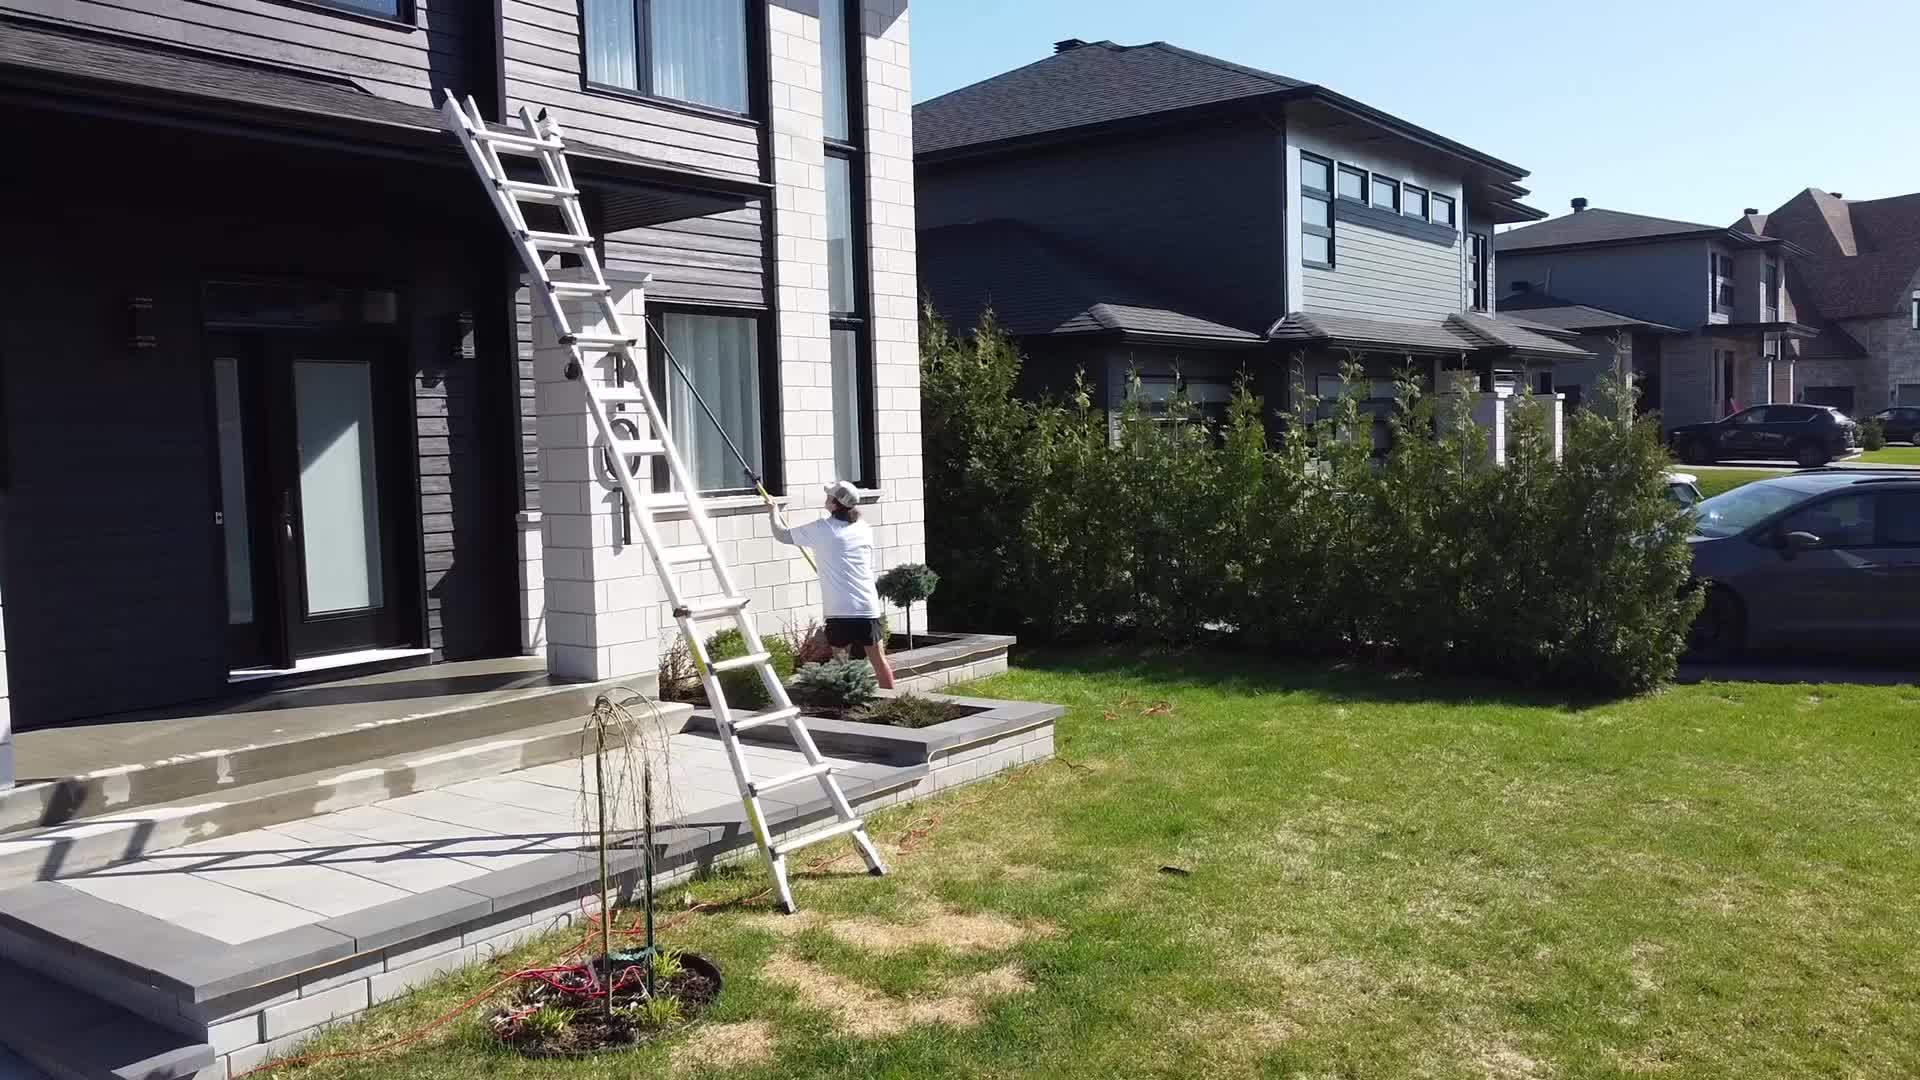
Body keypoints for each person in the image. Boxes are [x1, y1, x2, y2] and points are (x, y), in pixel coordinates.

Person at [768, 480, 894, 689]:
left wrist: (773, 510)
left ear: (835, 504)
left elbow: (782, 535)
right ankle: (892, 702)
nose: (826, 498)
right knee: (879, 662)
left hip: (839, 610)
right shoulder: (864, 528)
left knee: (840, 665)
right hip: (866, 608)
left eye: (829, 496)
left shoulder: (822, 528)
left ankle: (846, 703)